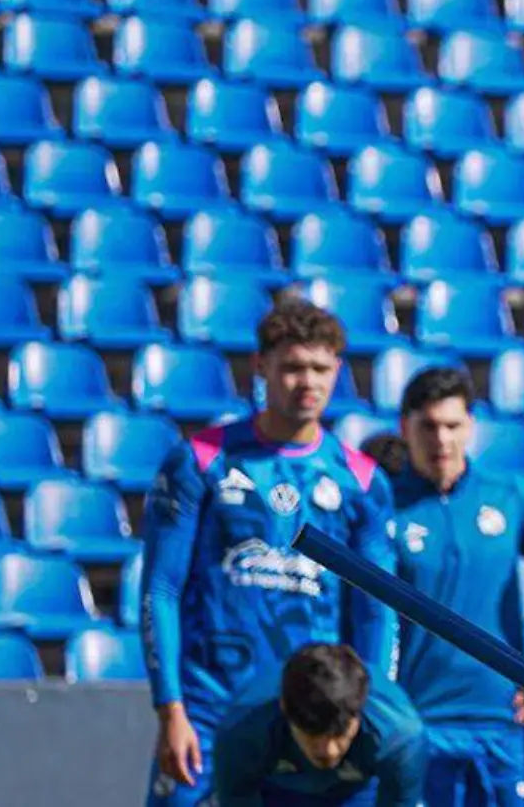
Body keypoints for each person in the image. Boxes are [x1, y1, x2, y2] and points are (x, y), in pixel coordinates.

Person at [142, 299, 398, 807]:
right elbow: (161, 588)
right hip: (210, 709)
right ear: (261, 367)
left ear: (338, 371)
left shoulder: (361, 480)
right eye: (293, 368)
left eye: (320, 369)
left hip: (316, 716)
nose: (308, 382)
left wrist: (370, 709)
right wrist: (171, 708)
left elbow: (376, 606)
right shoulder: (201, 461)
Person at [389, 367, 524, 806]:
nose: (442, 440)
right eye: (429, 426)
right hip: (417, 721)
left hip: (501, 721)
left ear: (471, 426)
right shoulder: (384, 504)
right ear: (405, 427)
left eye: (453, 426)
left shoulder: (508, 497)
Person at [209, 642, 427, 807]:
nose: (329, 750)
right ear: (285, 708)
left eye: (340, 732)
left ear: (358, 712)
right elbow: (237, 798)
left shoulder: (399, 736)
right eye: (312, 732)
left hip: (356, 795)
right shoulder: (242, 731)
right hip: (275, 792)